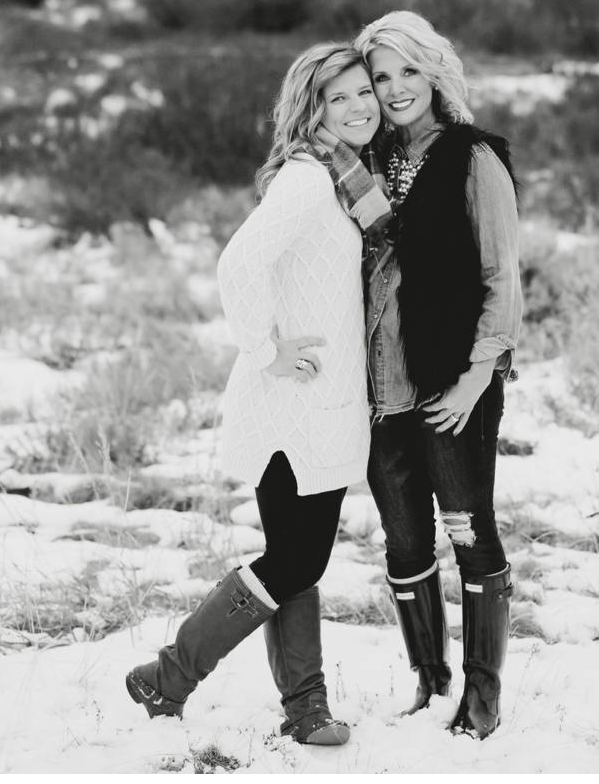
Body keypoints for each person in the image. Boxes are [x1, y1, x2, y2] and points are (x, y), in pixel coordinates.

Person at [125, 43, 391, 745]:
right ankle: (169, 675)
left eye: (363, 91)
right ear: (313, 109)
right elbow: (237, 263)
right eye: (339, 98)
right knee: (298, 559)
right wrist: (267, 350)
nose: (359, 105)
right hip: (294, 407)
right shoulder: (309, 179)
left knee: (293, 555)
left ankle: (305, 709)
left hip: (324, 405)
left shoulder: (345, 178)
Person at [356, 11, 522, 739]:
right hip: (380, 388)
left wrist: (475, 379)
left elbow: (501, 278)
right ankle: (431, 679)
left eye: (408, 72)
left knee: (468, 530)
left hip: (453, 384)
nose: (394, 90)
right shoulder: (371, 161)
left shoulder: (472, 158)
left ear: (435, 73)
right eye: (381, 76)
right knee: (403, 541)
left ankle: (482, 696)